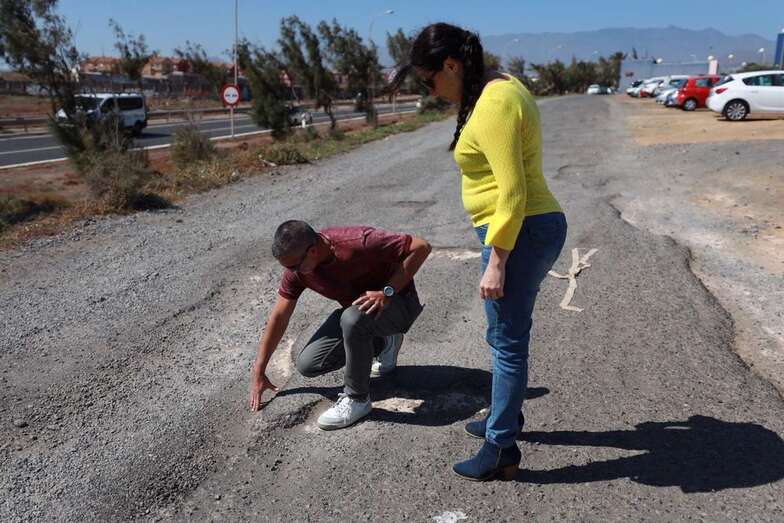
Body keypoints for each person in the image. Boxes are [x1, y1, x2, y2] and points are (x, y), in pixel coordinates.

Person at [390, 23, 567, 480]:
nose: (431, 91)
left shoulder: (494, 103)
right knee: (501, 335)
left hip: (518, 231)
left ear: (452, 66)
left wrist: (497, 261)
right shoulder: (501, 85)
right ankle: (504, 417)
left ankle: (501, 449)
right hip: (521, 229)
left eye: (430, 80)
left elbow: (512, 192)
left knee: (507, 343)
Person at [248, 220, 430, 430]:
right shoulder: (298, 270)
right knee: (309, 364)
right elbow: (279, 316)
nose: (292, 272)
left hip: (399, 305)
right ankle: (385, 341)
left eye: (295, 266)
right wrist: (259, 370)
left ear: (313, 250)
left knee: (351, 319)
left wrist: (387, 291)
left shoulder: (358, 241)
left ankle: (358, 399)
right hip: (363, 314)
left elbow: (421, 246)